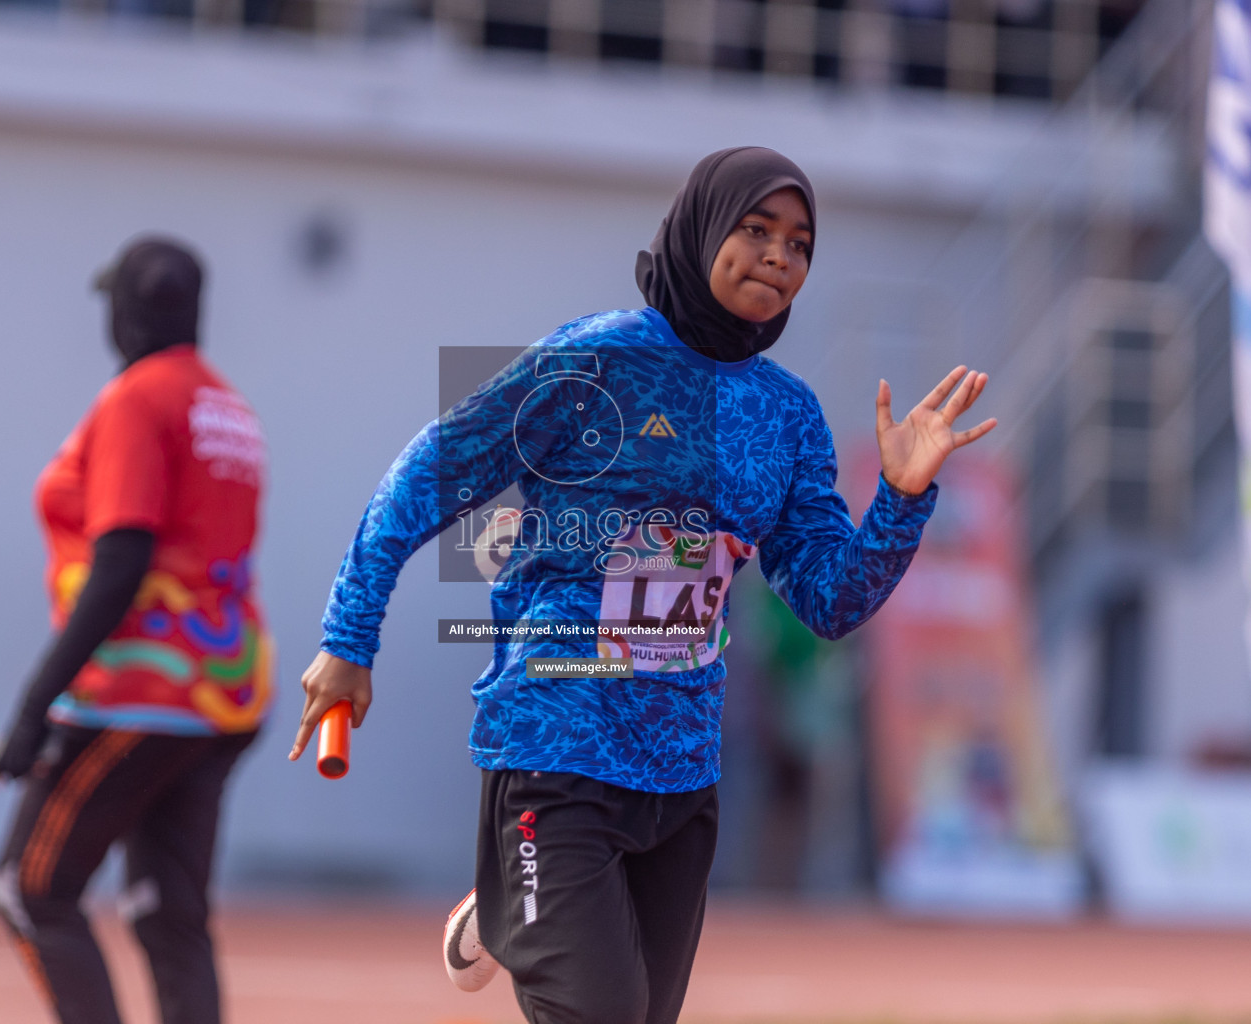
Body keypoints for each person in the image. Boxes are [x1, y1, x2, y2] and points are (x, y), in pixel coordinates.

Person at [288, 147, 995, 1024]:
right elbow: (428, 474)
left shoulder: (789, 414)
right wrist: (348, 638)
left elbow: (829, 599)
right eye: (756, 230)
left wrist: (903, 498)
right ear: (701, 230)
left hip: (681, 778)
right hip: (556, 745)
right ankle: (521, 897)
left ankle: (511, 912)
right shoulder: (598, 359)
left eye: (800, 243)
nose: (779, 257)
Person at [0, 236, 270, 1024]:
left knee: (30, 887)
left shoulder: (137, 400)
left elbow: (121, 560)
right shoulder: (229, 410)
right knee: (166, 909)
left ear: (124, 311)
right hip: (228, 688)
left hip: (142, 692)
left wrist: (31, 708)